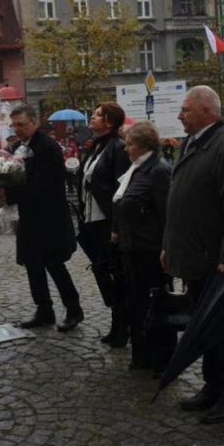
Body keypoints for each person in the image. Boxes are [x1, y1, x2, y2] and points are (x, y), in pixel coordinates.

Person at [162, 86, 224, 424]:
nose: (179, 115)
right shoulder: (193, 143)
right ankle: (212, 387)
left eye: (185, 109)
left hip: (217, 261)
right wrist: (168, 245)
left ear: (206, 111)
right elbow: (180, 202)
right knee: (204, 328)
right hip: (194, 257)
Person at [0, 105, 83, 332]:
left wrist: (7, 194)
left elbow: (43, 185)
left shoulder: (47, 147)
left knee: (55, 265)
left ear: (34, 123)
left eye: (21, 124)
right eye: (14, 125)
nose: (17, 129)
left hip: (49, 218)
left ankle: (74, 309)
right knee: (33, 264)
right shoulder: (20, 147)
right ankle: (44, 311)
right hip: (30, 217)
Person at [111, 121, 176, 373]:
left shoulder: (158, 170)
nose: (126, 149)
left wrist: (166, 247)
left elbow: (166, 213)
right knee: (137, 304)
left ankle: (163, 359)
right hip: (132, 248)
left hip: (150, 250)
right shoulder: (136, 169)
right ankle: (143, 354)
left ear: (143, 145)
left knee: (157, 305)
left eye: (129, 144)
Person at [78, 102, 131, 347]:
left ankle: (123, 327)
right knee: (104, 273)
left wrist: (116, 227)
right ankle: (117, 323)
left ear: (110, 122)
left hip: (106, 222)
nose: (92, 117)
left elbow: (121, 190)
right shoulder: (97, 146)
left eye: (98, 115)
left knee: (115, 274)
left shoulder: (118, 148)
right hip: (92, 220)